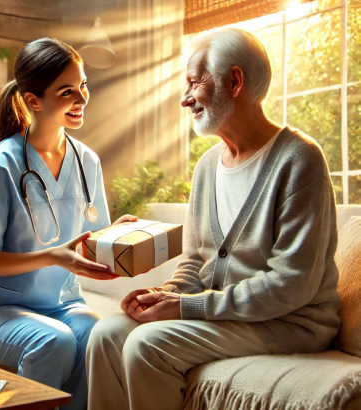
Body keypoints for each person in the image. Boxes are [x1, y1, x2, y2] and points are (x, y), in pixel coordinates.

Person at [85, 27, 341, 410]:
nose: (186, 99)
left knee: (146, 344)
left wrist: (188, 307)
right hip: (227, 314)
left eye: (194, 83)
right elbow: (196, 260)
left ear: (234, 81)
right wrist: (169, 294)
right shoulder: (206, 167)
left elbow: (293, 284)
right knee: (105, 334)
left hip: (288, 323)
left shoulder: (299, 159)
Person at [0, 37, 135, 410]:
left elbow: (90, 243)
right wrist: (53, 257)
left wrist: (119, 233)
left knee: (98, 334)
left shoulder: (87, 161)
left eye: (83, 85)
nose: (82, 98)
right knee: (53, 341)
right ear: (33, 101)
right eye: (67, 91)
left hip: (63, 303)